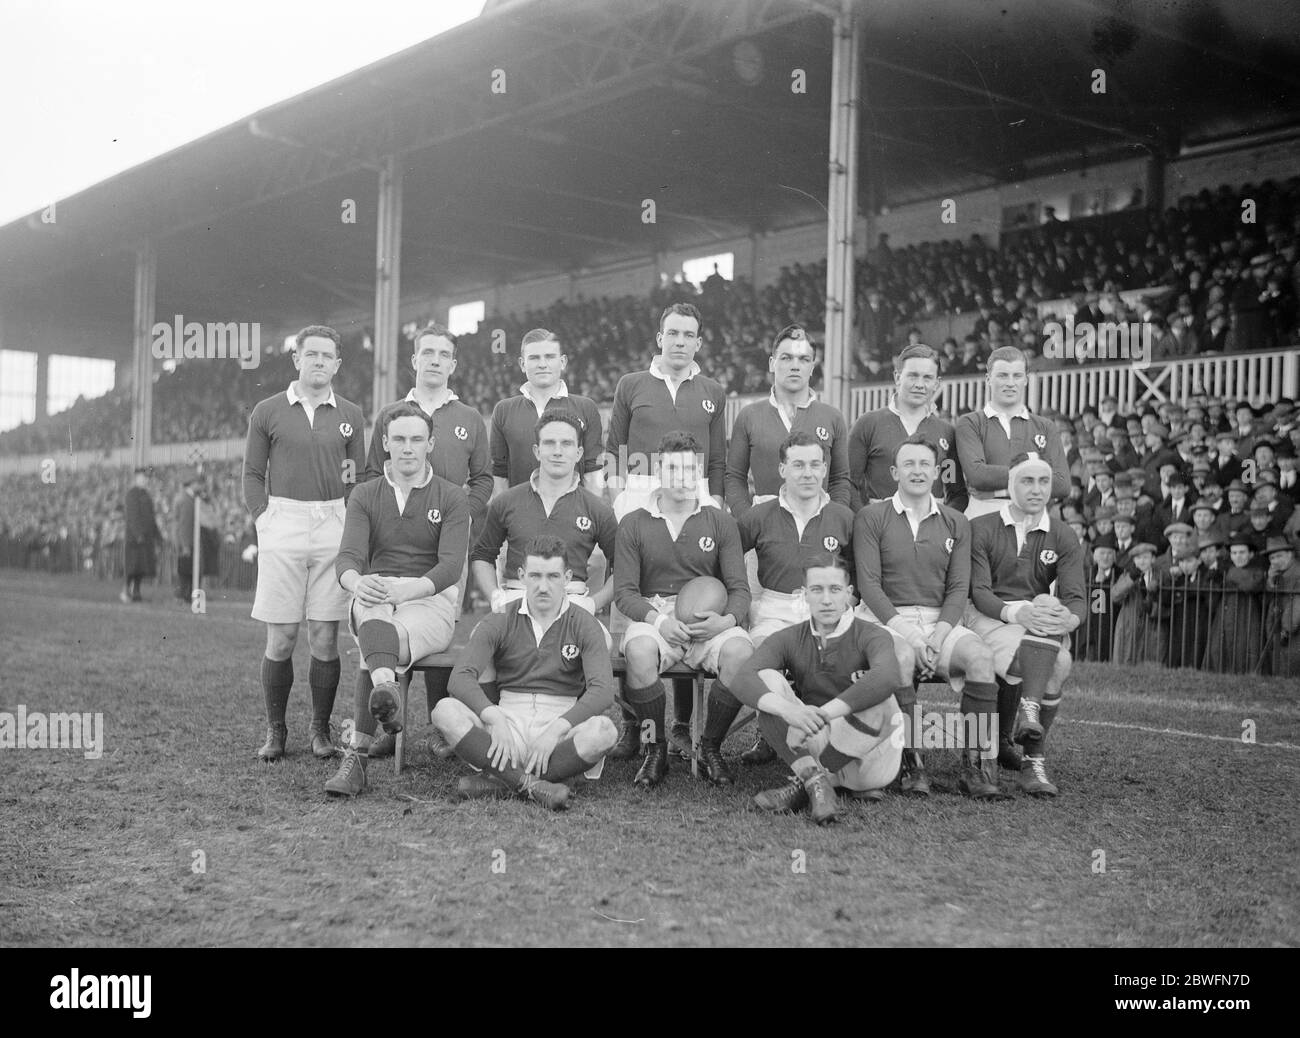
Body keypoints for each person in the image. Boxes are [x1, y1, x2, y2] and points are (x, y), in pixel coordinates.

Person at [323, 405, 470, 796]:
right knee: (373, 615)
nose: (408, 448)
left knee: (377, 645)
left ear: (431, 444)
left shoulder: (452, 497)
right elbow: (348, 558)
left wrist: (411, 588)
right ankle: (386, 694)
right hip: (378, 593)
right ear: (385, 443)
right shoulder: (366, 494)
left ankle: (357, 757)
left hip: (430, 599)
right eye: (400, 439)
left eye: (417, 440)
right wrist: (357, 583)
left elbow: (451, 566)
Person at [852, 434, 1003, 799]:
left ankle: (976, 767)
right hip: (884, 619)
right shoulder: (871, 517)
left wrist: (937, 634)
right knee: (902, 657)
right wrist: (913, 635)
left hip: (940, 620)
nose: (917, 471)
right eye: (909, 464)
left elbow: (958, 588)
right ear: (894, 472)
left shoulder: (956, 521)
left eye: (924, 465)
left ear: (937, 471)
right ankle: (911, 764)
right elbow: (870, 587)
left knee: (981, 658)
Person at [605, 303, 727, 751]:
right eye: (672, 333)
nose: (679, 341)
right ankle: (637, 726)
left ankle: (680, 725)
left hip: (693, 497)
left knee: (689, 600)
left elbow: (717, 461)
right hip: (640, 493)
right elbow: (615, 447)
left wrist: (713, 504)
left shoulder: (713, 390)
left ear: (698, 342)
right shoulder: (631, 384)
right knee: (630, 611)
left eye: (688, 334)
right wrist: (621, 498)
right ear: (659, 337)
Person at [243, 325, 367, 762]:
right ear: (296, 359)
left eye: (326, 355)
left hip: (333, 521)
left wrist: (351, 524)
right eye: (310, 353)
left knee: (324, 636)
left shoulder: (350, 413)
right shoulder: (268, 410)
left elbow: (357, 477)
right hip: (284, 520)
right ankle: (276, 731)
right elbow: (253, 475)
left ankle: (319, 730)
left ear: (337, 363)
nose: (318, 361)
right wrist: (265, 519)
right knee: (281, 636)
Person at [430, 535, 619, 811]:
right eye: (535, 576)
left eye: (553, 576)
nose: (544, 586)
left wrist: (557, 729)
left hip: (560, 718)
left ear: (567, 577)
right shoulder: (501, 618)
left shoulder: (584, 623)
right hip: (509, 716)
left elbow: (602, 691)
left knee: (605, 732)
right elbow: (460, 677)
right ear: (522, 576)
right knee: (444, 711)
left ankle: (502, 781)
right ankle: (533, 785)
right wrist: (492, 716)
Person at [614, 432, 753, 788]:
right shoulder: (634, 521)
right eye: (673, 468)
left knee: (740, 651)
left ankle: (710, 746)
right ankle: (653, 748)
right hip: (656, 613)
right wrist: (658, 621)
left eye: (689, 469)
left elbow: (739, 589)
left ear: (699, 472)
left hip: (708, 618)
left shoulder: (720, 521)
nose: (681, 477)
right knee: (639, 651)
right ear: (659, 469)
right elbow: (625, 592)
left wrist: (726, 620)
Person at [731, 554, 906, 824]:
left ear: (849, 594)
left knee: (883, 702)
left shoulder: (872, 634)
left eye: (835, 590)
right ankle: (817, 784)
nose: (826, 599)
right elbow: (743, 677)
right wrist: (789, 711)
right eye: (817, 590)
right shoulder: (790, 637)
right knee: (767, 681)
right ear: (804, 595)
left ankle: (807, 782)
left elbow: (888, 676)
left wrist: (821, 715)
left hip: (871, 763)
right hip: (819, 742)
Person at [966, 453, 1086, 797]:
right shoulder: (982, 527)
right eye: (1027, 481)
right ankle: (1033, 752)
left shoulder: (1062, 534)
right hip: (991, 616)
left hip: (1034, 624)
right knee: (1053, 649)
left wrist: (1070, 617)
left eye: (1044, 482)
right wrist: (1017, 614)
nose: (1037, 490)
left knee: (1055, 631)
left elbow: (1077, 597)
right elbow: (979, 593)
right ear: (1009, 484)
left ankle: (1032, 753)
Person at [734, 430, 856, 765]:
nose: (808, 473)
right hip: (775, 606)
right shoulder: (757, 517)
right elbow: (727, 564)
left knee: (845, 657)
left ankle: (839, 742)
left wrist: (849, 600)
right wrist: (738, 604)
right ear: (782, 470)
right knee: (764, 662)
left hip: (826, 607)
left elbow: (858, 575)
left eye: (815, 464)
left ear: (825, 469)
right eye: (798, 464)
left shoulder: (843, 518)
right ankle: (774, 734)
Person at [471, 411, 616, 618]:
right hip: (517, 598)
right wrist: (496, 597)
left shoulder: (597, 509)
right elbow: (482, 556)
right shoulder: (506, 501)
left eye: (566, 443)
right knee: (481, 640)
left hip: (572, 601)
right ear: (537, 451)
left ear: (579, 453)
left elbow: (623, 566)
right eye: (549, 443)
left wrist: (593, 604)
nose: (558, 451)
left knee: (603, 644)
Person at [364, 322, 492, 538]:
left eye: (443, 355)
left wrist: (463, 515)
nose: (435, 361)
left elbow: (483, 479)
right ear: (415, 361)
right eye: (428, 353)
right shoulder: (389, 415)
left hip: (449, 532)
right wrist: (386, 514)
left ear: (452, 366)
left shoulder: (471, 418)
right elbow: (374, 474)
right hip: (395, 531)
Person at [724, 324, 850, 517]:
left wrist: (833, 520)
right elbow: (734, 477)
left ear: (812, 367)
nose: (795, 366)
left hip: (818, 529)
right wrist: (748, 519)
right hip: (763, 531)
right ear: (771, 364)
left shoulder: (832, 417)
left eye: (803, 359)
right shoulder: (749, 416)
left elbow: (840, 480)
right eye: (786, 358)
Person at [847, 343, 967, 512]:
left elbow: (956, 492)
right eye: (912, 376)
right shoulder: (868, 424)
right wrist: (864, 521)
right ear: (897, 377)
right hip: (880, 529)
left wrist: (944, 524)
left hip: (930, 531)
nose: (919, 384)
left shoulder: (947, 433)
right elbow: (847, 483)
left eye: (927, 378)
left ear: (937, 383)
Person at [955, 346, 1069, 519]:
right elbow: (977, 476)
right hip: (984, 517)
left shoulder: (1045, 426)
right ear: (988, 379)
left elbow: (1062, 484)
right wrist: (1037, 477)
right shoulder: (970, 422)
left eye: (1017, 376)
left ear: (1025, 379)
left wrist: (996, 489)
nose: (1010, 383)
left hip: (1031, 519)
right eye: (1002, 375)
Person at [488, 329, 604, 494]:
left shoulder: (586, 407)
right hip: (520, 515)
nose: (542, 364)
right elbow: (499, 474)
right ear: (522, 364)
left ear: (563, 362)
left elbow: (593, 470)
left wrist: (591, 516)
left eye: (549, 357)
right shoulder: (503, 411)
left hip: (573, 514)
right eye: (534, 358)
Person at [122, 467, 161, 603]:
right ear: (136, 478)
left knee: (142, 567)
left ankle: (136, 591)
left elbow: (151, 517)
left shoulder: (147, 495)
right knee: (132, 566)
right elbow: (132, 516)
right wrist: (138, 533)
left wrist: (157, 535)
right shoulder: (131, 494)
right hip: (135, 538)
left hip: (147, 537)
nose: (146, 480)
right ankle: (126, 590)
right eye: (143, 477)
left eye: (147, 478)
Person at [172, 469, 203, 603]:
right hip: (187, 542)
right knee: (186, 571)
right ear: (192, 484)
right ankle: (184, 595)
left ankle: (185, 595)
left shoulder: (187, 498)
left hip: (187, 541)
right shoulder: (186, 500)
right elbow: (184, 524)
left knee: (187, 570)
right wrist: (185, 545)